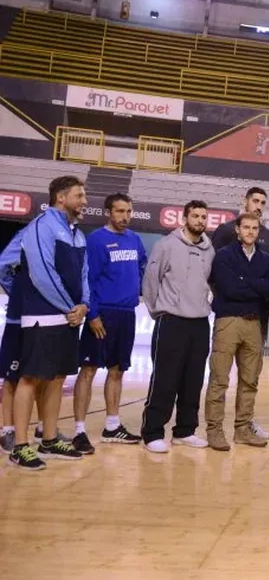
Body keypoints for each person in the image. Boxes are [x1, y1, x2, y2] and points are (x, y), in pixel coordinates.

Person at [8, 176, 89, 469]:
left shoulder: (77, 234)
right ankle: (19, 446)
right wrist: (71, 306)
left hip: (69, 317)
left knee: (57, 378)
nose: (84, 201)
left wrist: (84, 306)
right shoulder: (41, 226)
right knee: (30, 377)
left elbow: (84, 276)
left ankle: (50, 438)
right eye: (79, 196)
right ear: (61, 198)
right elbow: (42, 273)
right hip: (43, 316)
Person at [72, 193, 147, 454]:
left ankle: (112, 426)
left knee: (117, 370)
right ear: (108, 212)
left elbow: (141, 269)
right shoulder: (96, 240)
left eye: (128, 211)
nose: (124, 217)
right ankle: (79, 431)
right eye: (119, 211)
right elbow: (87, 280)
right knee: (89, 369)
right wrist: (92, 314)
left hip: (126, 314)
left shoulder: (135, 240)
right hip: (102, 313)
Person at [140, 200, 215, 454]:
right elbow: (151, 281)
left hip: (199, 324)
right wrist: (158, 311)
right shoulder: (166, 245)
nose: (200, 221)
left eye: (204, 217)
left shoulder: (209, 249)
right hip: (171, 321)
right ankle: (152, 432)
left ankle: (185, 430)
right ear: (185, 218)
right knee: (164, 378)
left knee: (193, 380)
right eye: (195, 216)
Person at [204, 212, 269, 451]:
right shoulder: (224, 255)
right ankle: (214, 431)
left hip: (253, 323)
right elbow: (228, 288)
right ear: (237, 229)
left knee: (250, 381)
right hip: (228, 322)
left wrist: (246, 281)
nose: (250, 232)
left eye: (255, 228)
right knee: (219, 379)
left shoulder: (266, 259)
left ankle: (242, 429)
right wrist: (256, 286)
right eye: (246, 227)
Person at [0, 227, 26, 453]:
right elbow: (2, 266)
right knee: (11, 377)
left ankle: (44, 430)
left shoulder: (70, 235)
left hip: (47, 318)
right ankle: (8, 430)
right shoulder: (28, 234)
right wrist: (17, 293)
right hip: (19, 319)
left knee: (43, 376)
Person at [212, 186, 269, 259]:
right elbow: (214, 260)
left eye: (263, 203)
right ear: (245, 202)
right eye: (255, 201)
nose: (259, 207)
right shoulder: (225, 229)